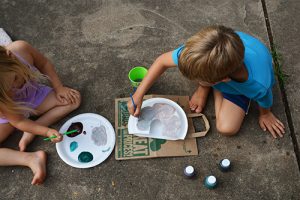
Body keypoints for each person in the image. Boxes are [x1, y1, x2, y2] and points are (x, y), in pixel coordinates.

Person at [127, 25, 285, 139]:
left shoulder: (257, 85)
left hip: (239, 86)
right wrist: (138, 94)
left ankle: (211, 89)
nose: (192, 80)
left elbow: (264, 98)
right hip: (227, 63)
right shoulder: (201, 52)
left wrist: (265, 114)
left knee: (226, 129)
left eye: (198, 80)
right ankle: (206, 87)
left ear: (221, 80)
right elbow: (162, 61)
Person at [0, 40, 81, 185]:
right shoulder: (3, 97)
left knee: (73, 99)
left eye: (14, 80)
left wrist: (59, 88)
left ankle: (32, 129)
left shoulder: (21, 49)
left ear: (11, 57)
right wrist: (47, 132)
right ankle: (31, 158)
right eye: (7, 91)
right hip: (9, 114)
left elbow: (44, 64)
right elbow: (18, 121)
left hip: (35, 97)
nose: (12, 89)